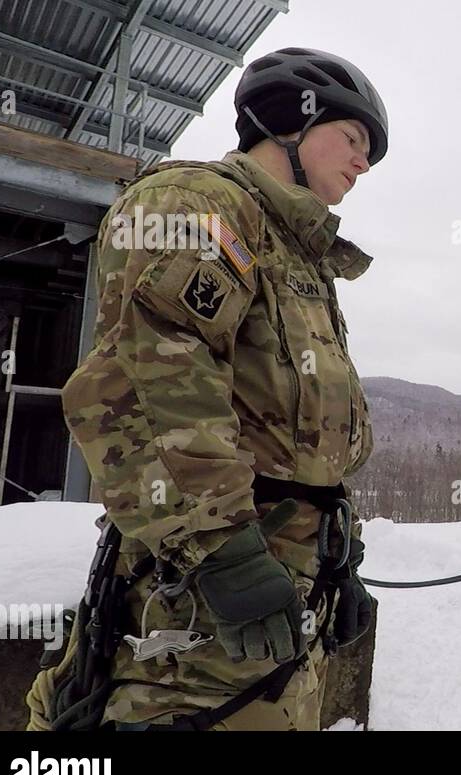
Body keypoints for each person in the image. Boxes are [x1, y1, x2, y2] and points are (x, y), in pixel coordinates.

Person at [26, 47, 386, 730]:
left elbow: (299, 439)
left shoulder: (296, 256)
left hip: (276, 618)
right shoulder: (197, 206)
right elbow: (139, 390)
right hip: (192, 623)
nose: (364, 163)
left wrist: (344, 553)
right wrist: (222, 550)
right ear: (290, 122)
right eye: (354, 138)